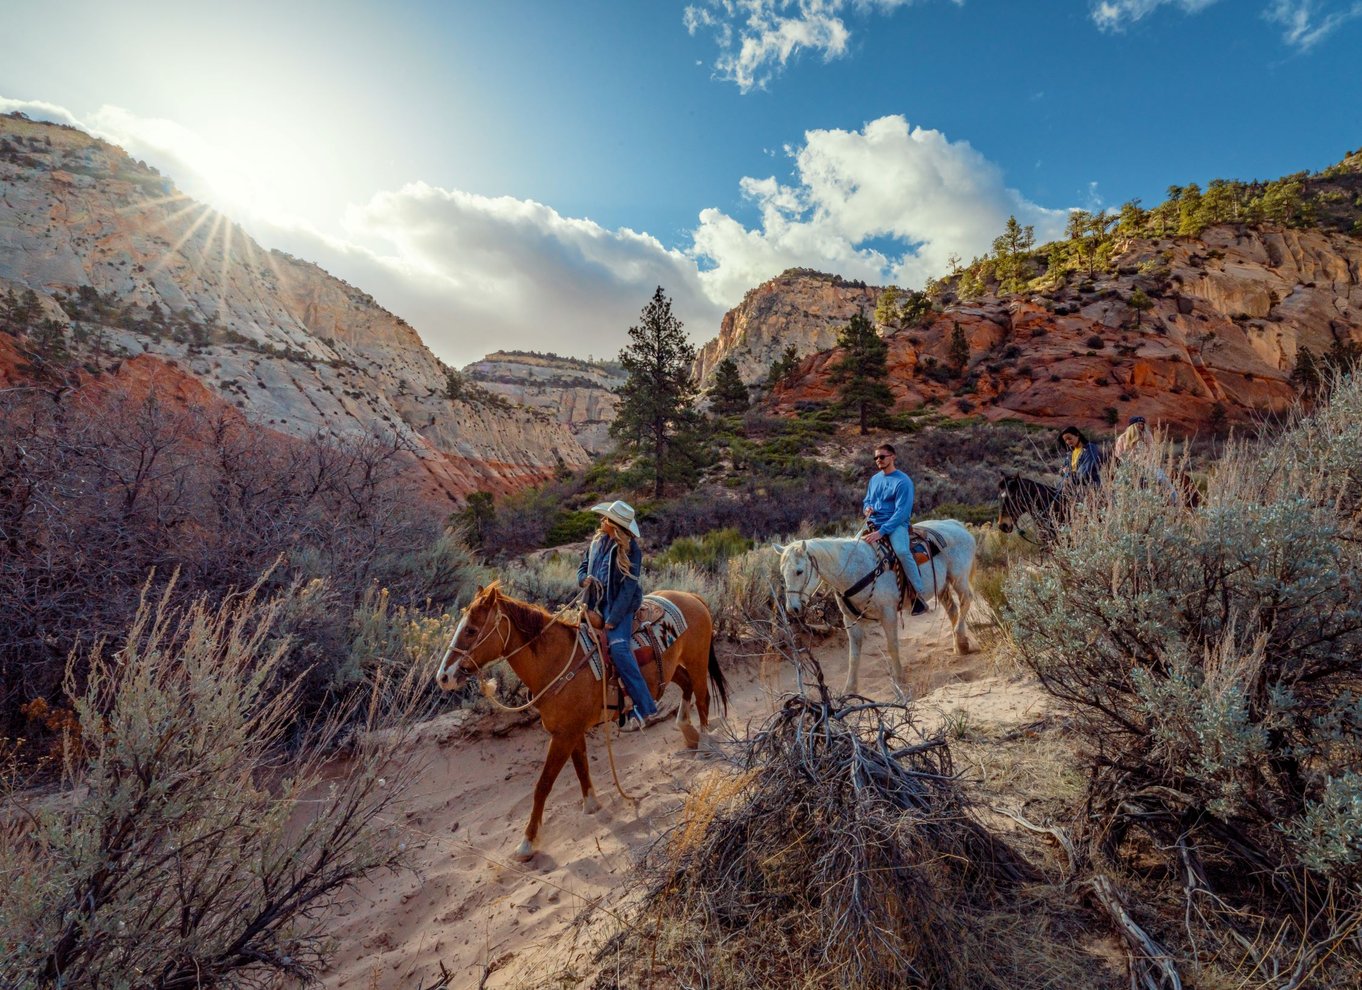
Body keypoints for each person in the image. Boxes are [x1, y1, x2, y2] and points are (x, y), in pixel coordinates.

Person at [577, 499, 659, 731]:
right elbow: (583, 567)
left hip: (619, 607)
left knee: (619, 648)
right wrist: (583, 579)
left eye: (606, 519)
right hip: (594, 603)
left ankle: (646, 706)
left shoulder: (632, 550)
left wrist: (613, 619)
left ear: (614, 525)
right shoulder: (596, 543)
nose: (602, 521)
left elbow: (628, 589)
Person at [861, 444, 928, 616]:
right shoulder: (874, 479)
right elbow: (867, 500)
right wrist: (867, 509)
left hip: (895, 525)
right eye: (876, 458)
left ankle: (918, 595)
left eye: (882, 457)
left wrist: (881, 532)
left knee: (902, 551)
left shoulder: (903, 481)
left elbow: (902, 512)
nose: (878, 460)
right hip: (873, 522)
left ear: (892, 457)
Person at [1058, 425, 1103, 492]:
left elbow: (1084, 473)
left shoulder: (1090, 449)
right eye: (1065, 440)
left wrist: (1068, 474)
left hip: (1087, 488)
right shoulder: (1070, 453)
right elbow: (1061, 470)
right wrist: (1063, 471)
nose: (1068, 442)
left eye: (1069, 438)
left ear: (1077, 435)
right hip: (1068, 487)